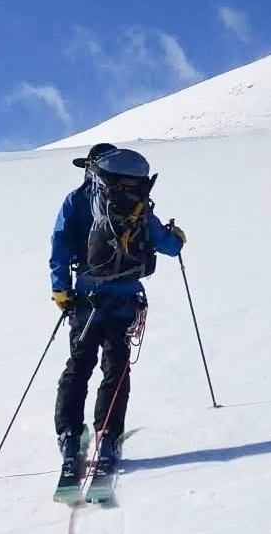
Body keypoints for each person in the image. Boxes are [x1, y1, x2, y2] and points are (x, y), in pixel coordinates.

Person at [49, 142, 185, 476]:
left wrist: (60, 289)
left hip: (86, 298)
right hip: (126, 298)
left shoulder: (77, 200)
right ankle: (108, 438)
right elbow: (168, 246)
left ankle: (69, 438)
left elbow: (60, 245)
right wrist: (177, 238)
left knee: (79, 365)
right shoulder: (136, 200)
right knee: (117, 368)